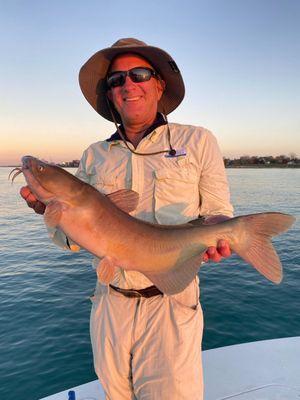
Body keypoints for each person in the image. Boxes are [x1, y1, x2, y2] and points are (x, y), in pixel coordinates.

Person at [20, 38, 233, 399]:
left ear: (159, 84)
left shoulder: (198, 141)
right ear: (110, 94)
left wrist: (220, 238)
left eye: (139, 74)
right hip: (109, 302)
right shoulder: (94, 155)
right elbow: (73, 241)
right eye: (116, 80)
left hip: (171, 303)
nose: (127, 85)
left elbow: (218, 213)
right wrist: (50, 213)